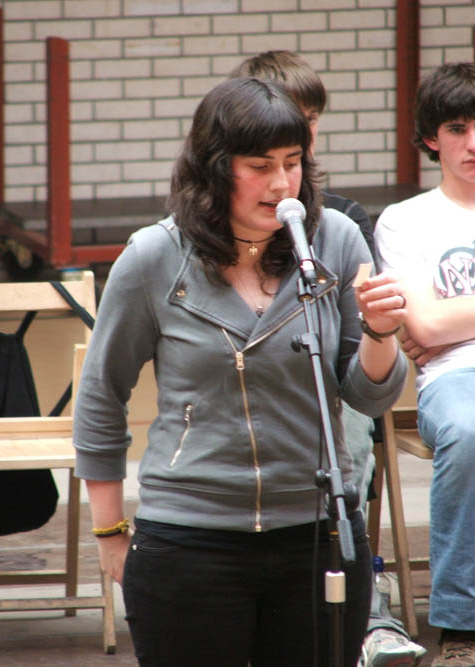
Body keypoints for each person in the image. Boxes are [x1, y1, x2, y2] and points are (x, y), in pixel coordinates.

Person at [73, 76, 408, 667]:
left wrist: (380, 333)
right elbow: (101, 394)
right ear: (214, 168)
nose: (281, 184)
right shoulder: (154, 256)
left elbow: (368, 396)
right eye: (260, 166)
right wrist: (109, 534)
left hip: (319, 531)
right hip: (190, 536)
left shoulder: (333, 241)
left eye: (292, 162)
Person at [230, 50, 426, 667]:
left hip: (333, 391)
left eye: (310, 122)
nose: (304, 136)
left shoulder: (341, 219)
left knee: (347, 425)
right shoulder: (211, 221)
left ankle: (369, 612)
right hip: (247, 399)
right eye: (291, 120)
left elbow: (361, 344)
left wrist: (382, 327)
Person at [375, 61, 475, 667]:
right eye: (458, 129)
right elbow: (428, 329)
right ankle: (461, 624)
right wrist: (438, 322)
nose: (474, 144)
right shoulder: (406, 220)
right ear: (432, 138)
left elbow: (441, 319)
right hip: (455, 377)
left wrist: (449, 316)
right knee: (469, 431)